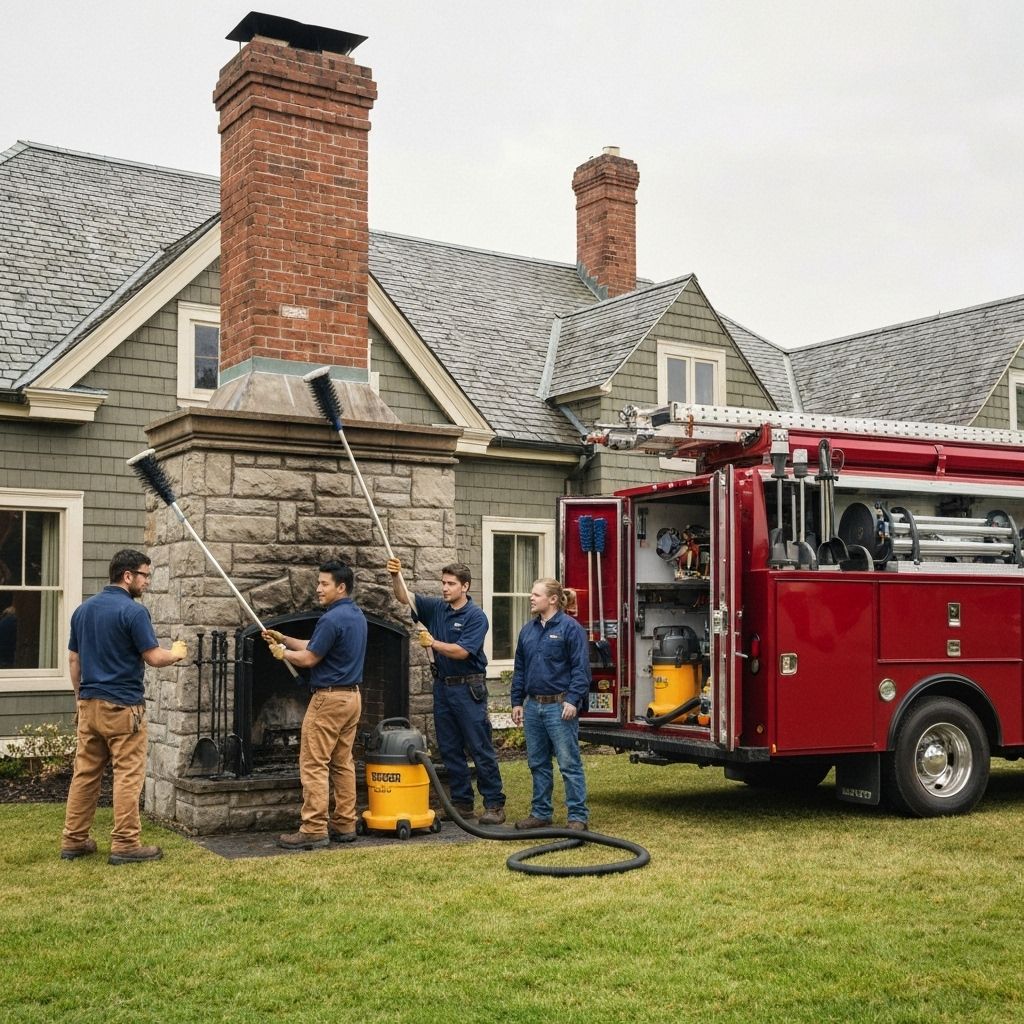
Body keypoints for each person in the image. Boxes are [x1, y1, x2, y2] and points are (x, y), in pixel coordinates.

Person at [61, 549, 186, 864]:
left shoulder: (83, 610)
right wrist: (177, 653)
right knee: (128, 775)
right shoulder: (133, 612)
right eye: (144, 575)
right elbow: (154, 657)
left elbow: (74, 660)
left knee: (85, 774)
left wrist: (81, 697)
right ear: (127, 575)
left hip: (88, 704)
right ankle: (126, 844)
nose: (147, 581)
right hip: (123, 708)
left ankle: (74, 840)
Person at [386, 557, 506, 825]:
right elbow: (404, 596)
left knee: (479, 746)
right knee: (450, 748)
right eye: (443, 583)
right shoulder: (437, 608)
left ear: (465, 586)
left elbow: (463, 651)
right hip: (443, 687)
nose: (445, 588)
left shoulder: (476, 617)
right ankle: (462, 804)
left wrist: (434, 643)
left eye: (451, 584)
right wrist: (396, 575)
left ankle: (494, 804)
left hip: (468, 688)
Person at [263, 560, 367, 851]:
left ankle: (313, 829)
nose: (318, 589)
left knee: (313, 763)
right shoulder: (354, 615)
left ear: (341, 587)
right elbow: (316, 644)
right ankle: (345, 824)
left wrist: (281, 653)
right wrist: (283, 639)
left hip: (329, 700)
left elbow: (309, 659)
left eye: (324, 584)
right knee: (342, 763)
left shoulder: (331, 619)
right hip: (352, 698)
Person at [510, 578, 591, 831]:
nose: (531, 598)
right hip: (533, 707)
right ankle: (541, 813)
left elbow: (581, 669)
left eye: (536, 594)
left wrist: (572, 700)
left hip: (560, 707)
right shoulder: (527, 630)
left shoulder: (571, 629)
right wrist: (517, 702)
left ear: (553, 599)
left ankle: (578, 817)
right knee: (537, 762)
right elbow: (520, 669)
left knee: (569, 763)